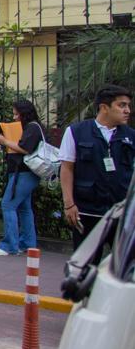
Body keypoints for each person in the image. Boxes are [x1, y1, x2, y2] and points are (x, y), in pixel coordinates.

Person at [59, 84, 134, 248]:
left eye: (128, 105)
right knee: (85, 267)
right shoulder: (75, 132)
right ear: (104, 108)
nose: (127, 110)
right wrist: (69, 204)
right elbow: (66, 168)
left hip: (121, 212)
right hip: (88, 212)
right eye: (121, 105)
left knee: (123, 269)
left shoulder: (130, 136)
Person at [0, 99, 47, 256]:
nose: (14, 117)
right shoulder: (35, 127)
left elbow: (24, 148)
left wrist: (4, 141)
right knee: (24, 208)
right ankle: (27, 243)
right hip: (27, 173)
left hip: (23, 173)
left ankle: (9, 245)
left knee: (8, 205)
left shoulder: (32, 128)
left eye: (17, 114)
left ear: (24, 114)